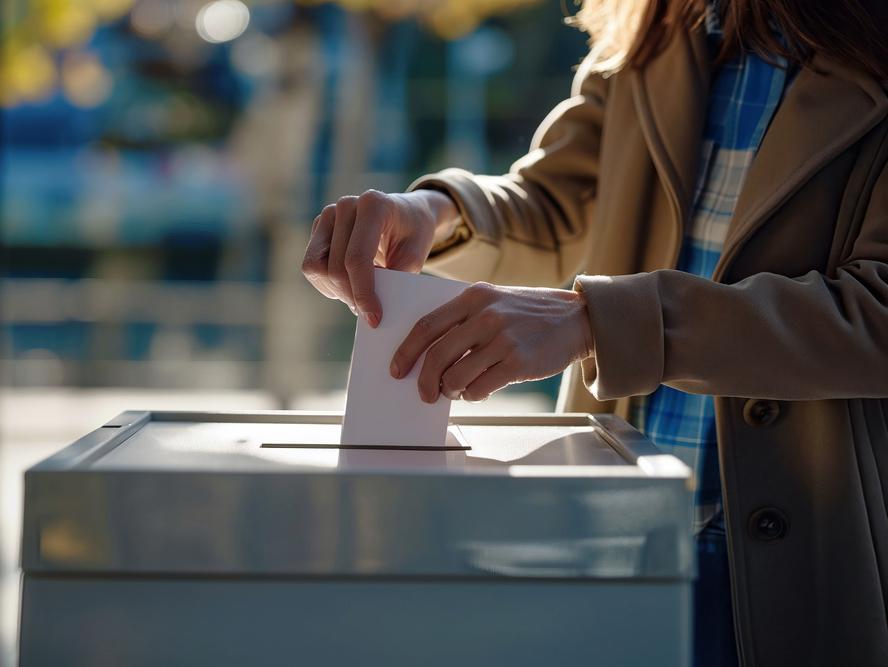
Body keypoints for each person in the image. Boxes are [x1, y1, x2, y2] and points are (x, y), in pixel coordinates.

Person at [300, 0, 888, 665]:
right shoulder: (661, 24)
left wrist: (595, 321)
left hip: (809, 550)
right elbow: (555, 200)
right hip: (615, 521)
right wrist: (437, 212)